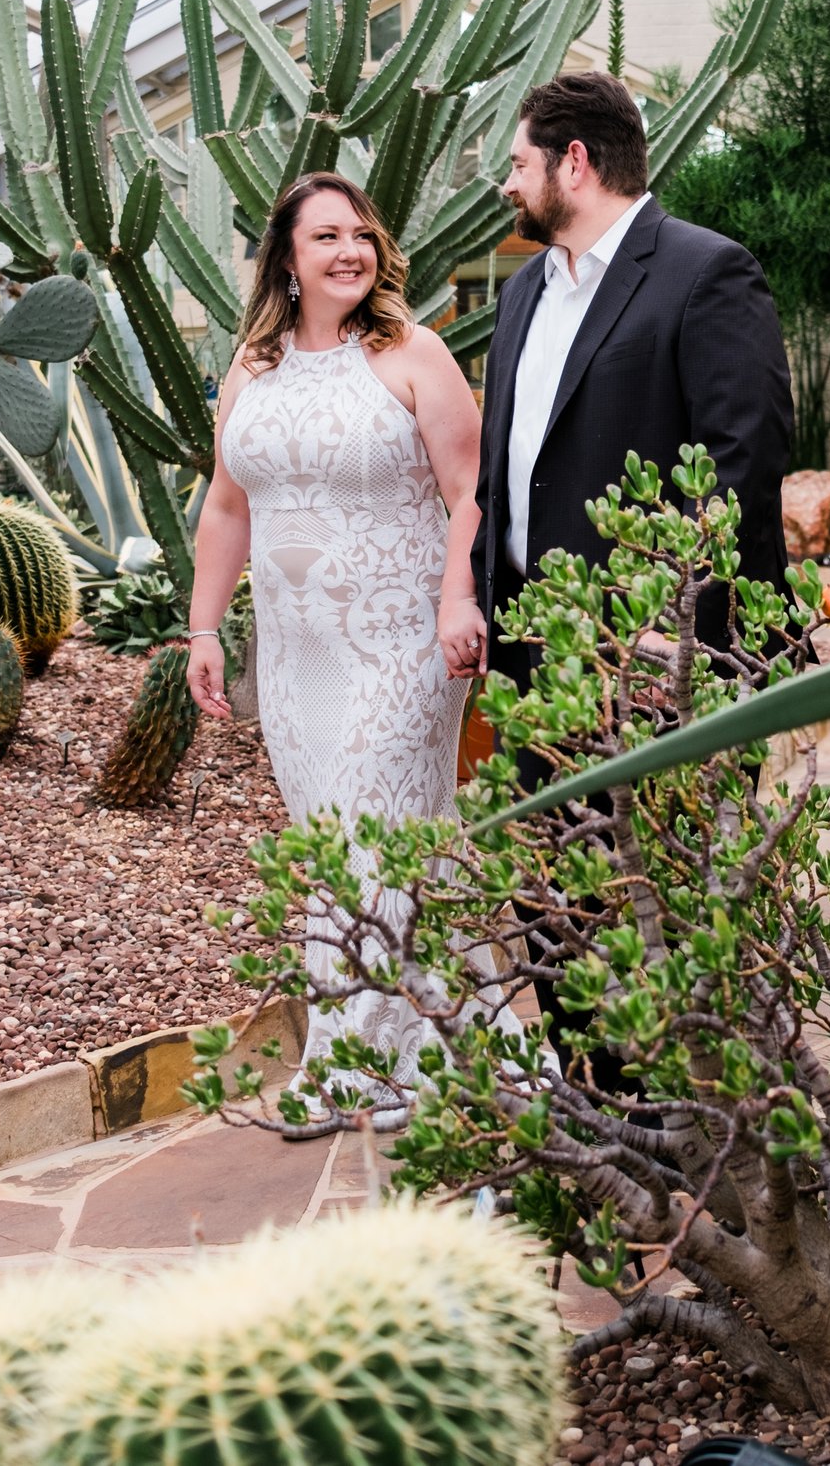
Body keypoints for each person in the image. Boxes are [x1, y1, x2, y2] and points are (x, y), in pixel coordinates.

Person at [475, 70, 794, 1083]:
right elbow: (503, 463)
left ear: (575, 162)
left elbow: (742, 460)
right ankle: (595, 1097)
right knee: (552, 892)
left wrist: (668, 626)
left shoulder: (705, 272)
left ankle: (692, 1112)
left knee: (664, 893)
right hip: (536, 654)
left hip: (654, 657)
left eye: (518, 163)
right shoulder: (524, 289)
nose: (507, 185)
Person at [185, 171, 492, 1116]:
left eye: (360, 234)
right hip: (295, 655)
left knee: (368, 835)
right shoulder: (252, 369)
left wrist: (457, 597)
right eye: (326, 237)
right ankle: (438, 1047)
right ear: (287, 257)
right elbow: (228, 504)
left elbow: (471, 492)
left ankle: (344, 1066)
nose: (349, 250)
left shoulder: (413, 353)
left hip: (403, 645)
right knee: (339, 853)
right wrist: (204, 626)